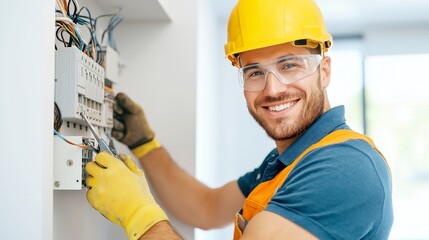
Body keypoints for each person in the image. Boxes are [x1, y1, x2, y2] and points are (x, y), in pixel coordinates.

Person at [85, 0, 394, 239]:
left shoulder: (345, 167)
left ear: (324, 71)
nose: (273, 89)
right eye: (255, 72)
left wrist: (139, 213)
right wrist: (144, 144)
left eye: (289, 65)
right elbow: (205, 207)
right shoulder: (286, 163)